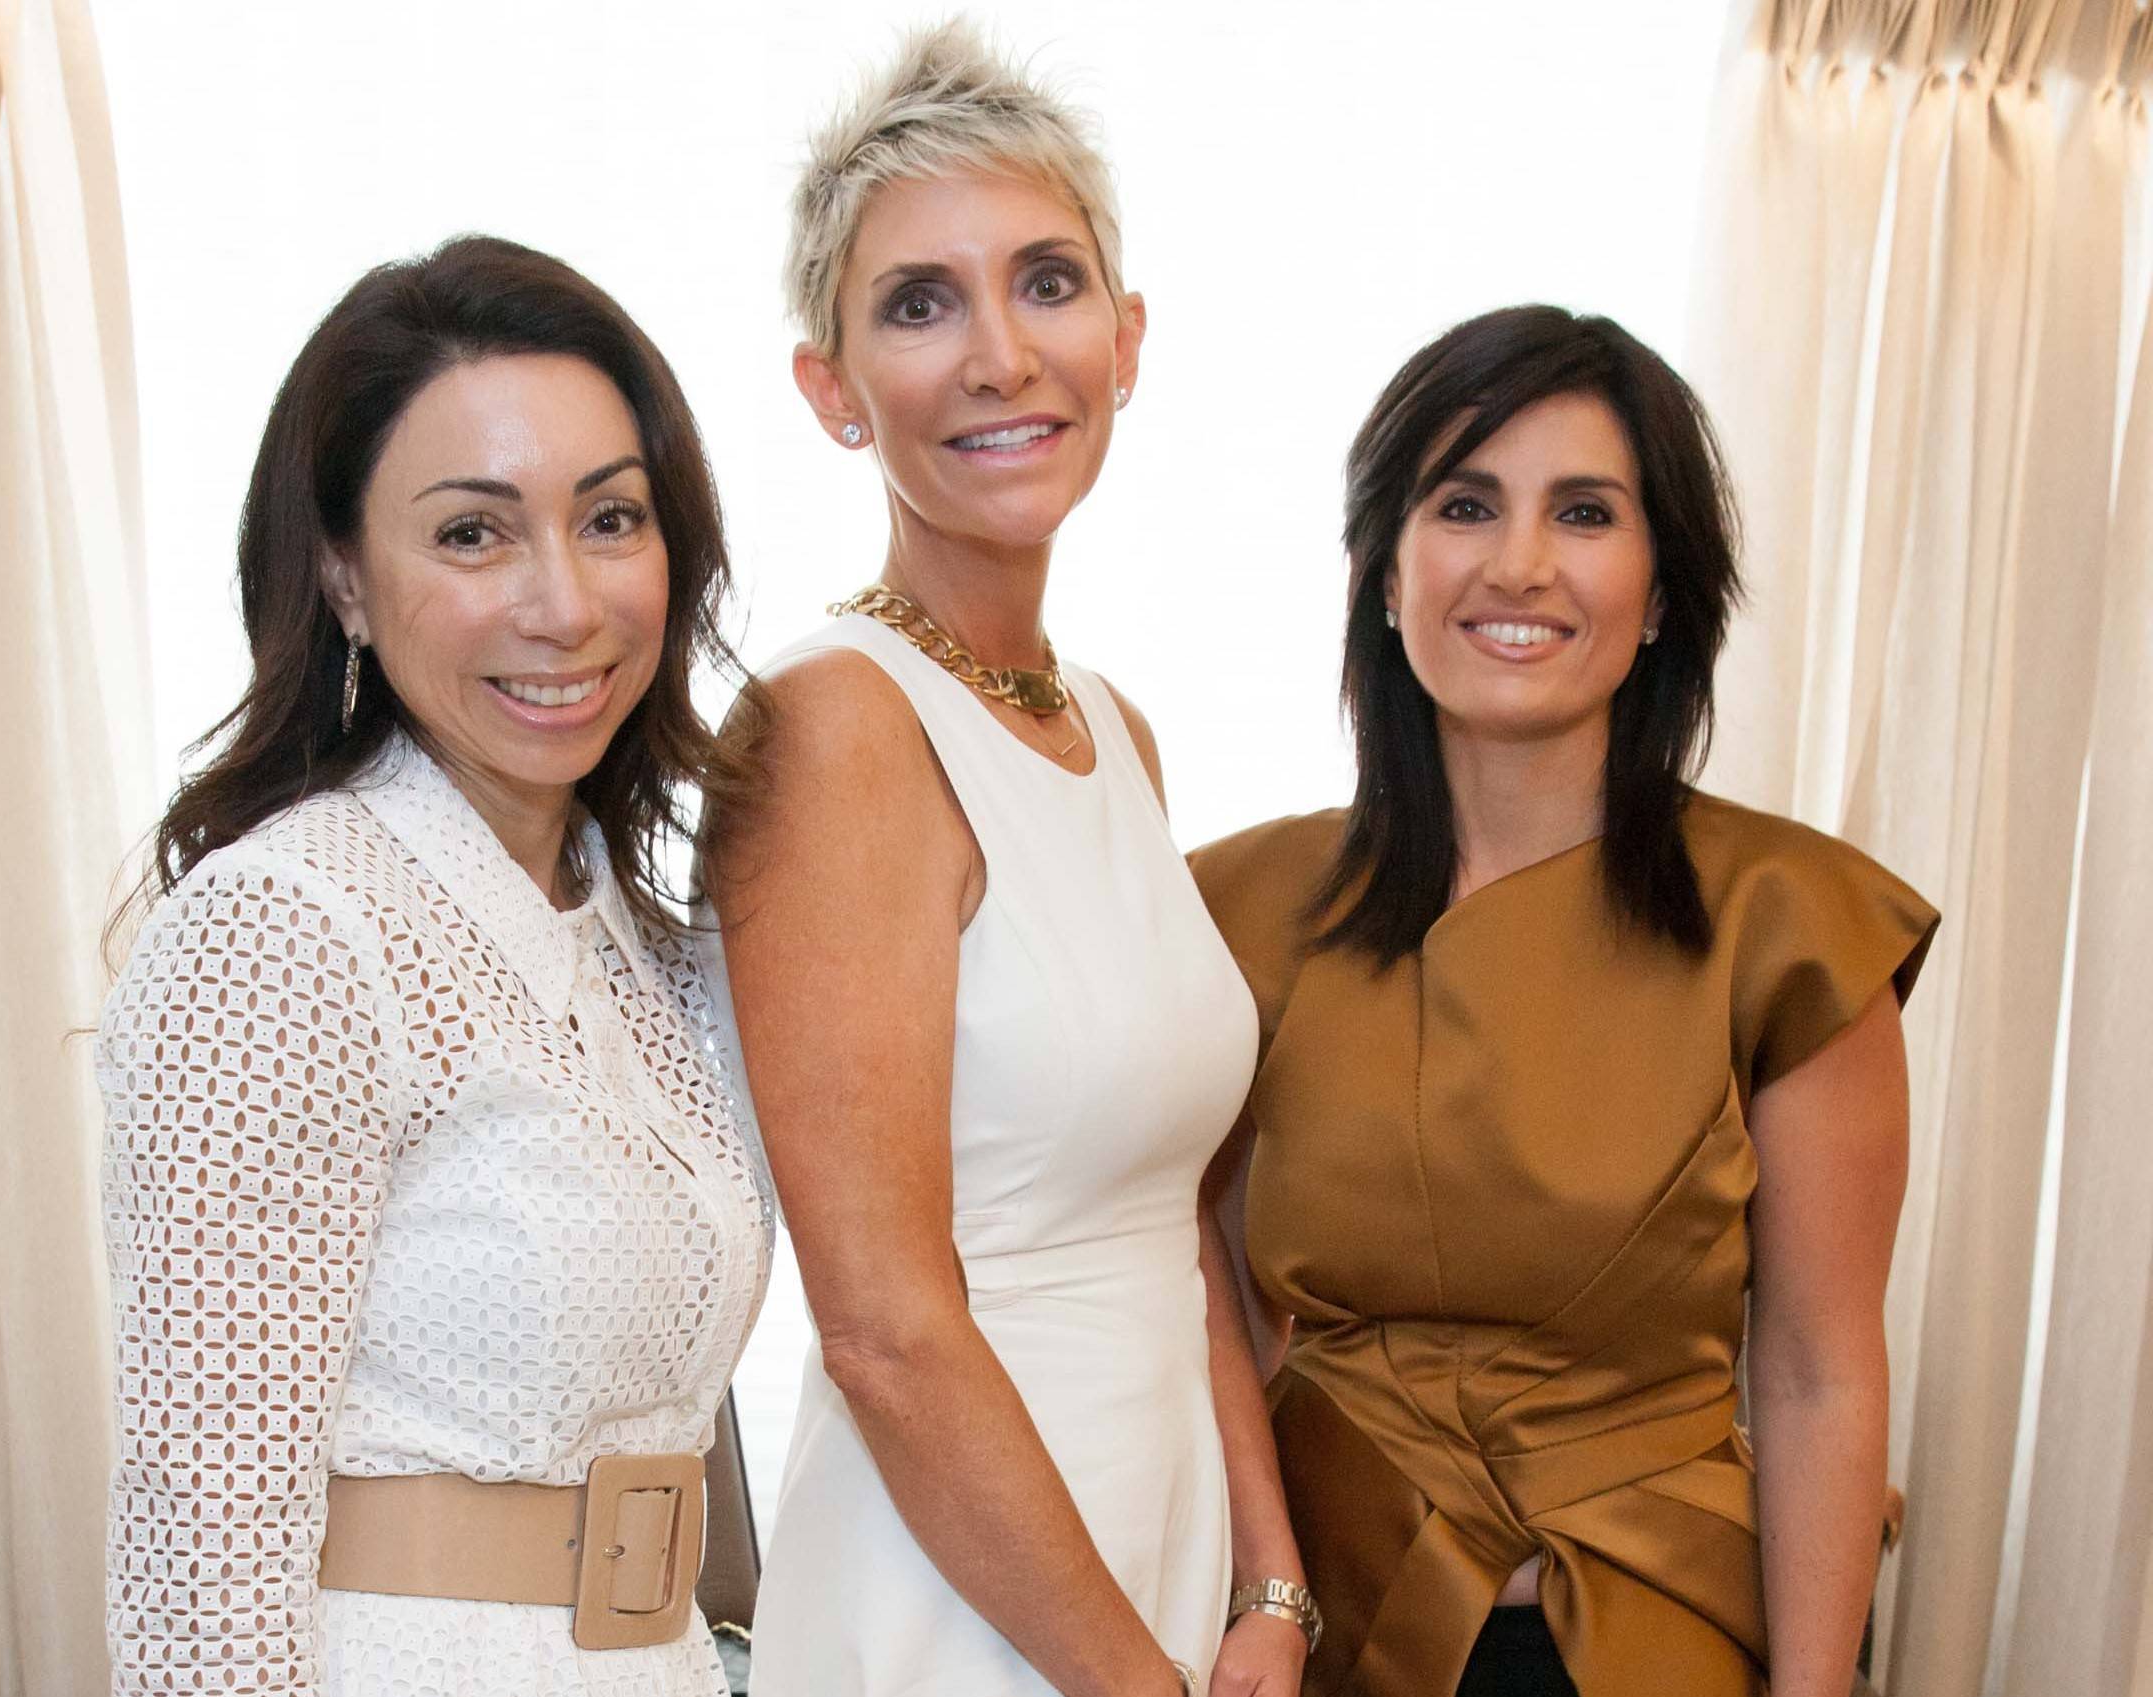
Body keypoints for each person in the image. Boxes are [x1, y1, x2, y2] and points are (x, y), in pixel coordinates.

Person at [1191, 304, 1936, 1697]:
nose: (1520, 562)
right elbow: (1197, 1288)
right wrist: (1265, 1581)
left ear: (1659, 593)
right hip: (1311, 1635)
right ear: (1385, 571)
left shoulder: (1792, 926)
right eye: (1466, 504)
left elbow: (1820, 1369)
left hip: (1661, 1640)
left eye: (1584, 512)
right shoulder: (1232, 911)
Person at [701, 23, 1310, 1697]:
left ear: (1127, 337)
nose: (999, 354)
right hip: (964, 1602)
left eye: (1047, 283)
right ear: (831, 388)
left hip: (1159, 1568)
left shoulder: (1116, 728)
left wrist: (1269, 1585)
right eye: (920, 303)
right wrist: (1133, 1681)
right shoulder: (831, 730)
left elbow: (1178, 1222)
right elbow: (884, 1332)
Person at [98, 235, 775, 1697]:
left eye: (611, 517)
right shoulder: (284, 929)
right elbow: (199, 1558)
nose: (565, 603)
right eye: (474, 533)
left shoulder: (637, 937)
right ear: (343, 575)